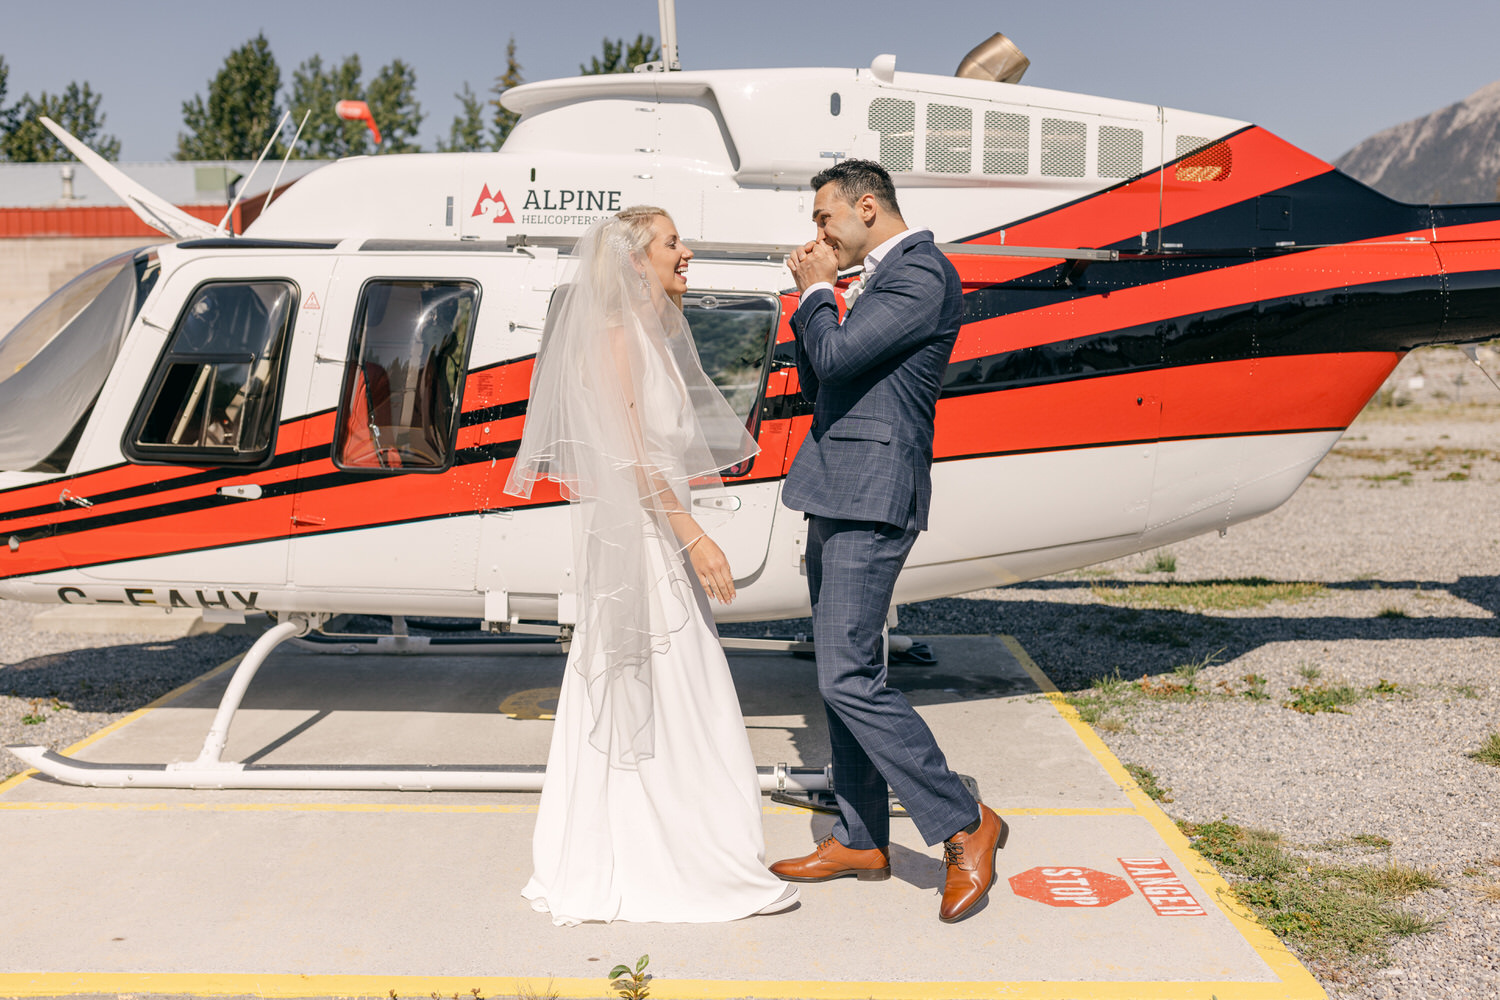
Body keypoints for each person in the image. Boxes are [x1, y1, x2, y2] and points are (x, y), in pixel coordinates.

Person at [504, 206, 797, 924]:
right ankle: (673, 862)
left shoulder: (653, 332)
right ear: (638, 261)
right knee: (674, 695)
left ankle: (666, 849)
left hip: (656, 539)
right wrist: (692, 536)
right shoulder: (614, 338)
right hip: (644, 545)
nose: (686, 251)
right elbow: (631, 458)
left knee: (675, 697)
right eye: (672, 242)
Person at [773, 160, 1009, 923]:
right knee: (844, 671)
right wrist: (819, 302)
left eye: (823, 219)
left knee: (848, 678)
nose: (817, 234)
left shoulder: (922, 274)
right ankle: (862, 837)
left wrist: (815, 294)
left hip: (874, 496)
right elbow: (825, 378)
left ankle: (966, 823)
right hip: (837, 488)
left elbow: (837, 354)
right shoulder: (877, 278)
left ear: (866, 206)